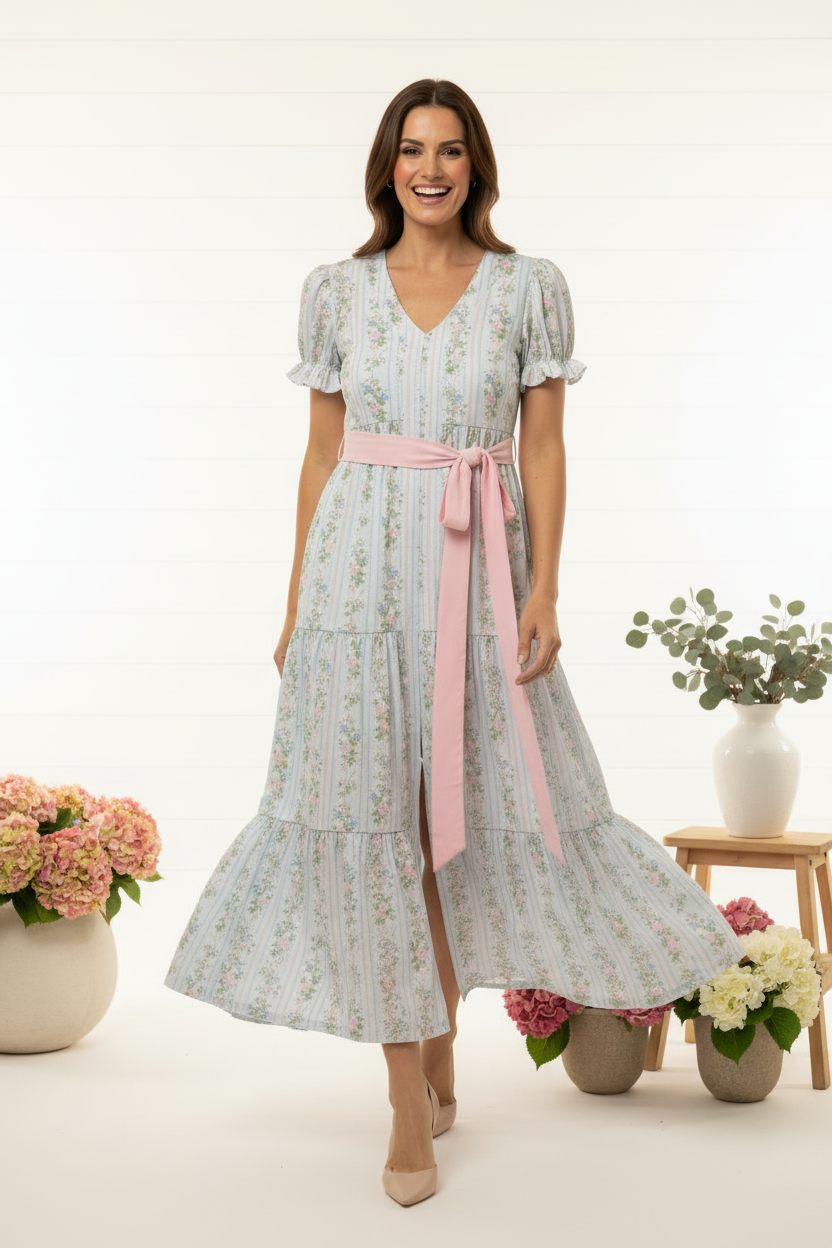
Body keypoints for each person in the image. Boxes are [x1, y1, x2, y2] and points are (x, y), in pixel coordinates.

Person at [163, 78, 747, 1207]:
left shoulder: (528, 288)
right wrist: (296, 602)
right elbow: (324, 454)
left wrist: (544, 590)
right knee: (373, 817)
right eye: (411, 151)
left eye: (452, 151)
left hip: (481, 578)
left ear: (477, 167)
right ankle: (405, 1098)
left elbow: (543, 449)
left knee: (467, 816)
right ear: (386, 167)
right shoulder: (335, 292)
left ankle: (439, 1044)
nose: (430, 169)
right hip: (356, 581)